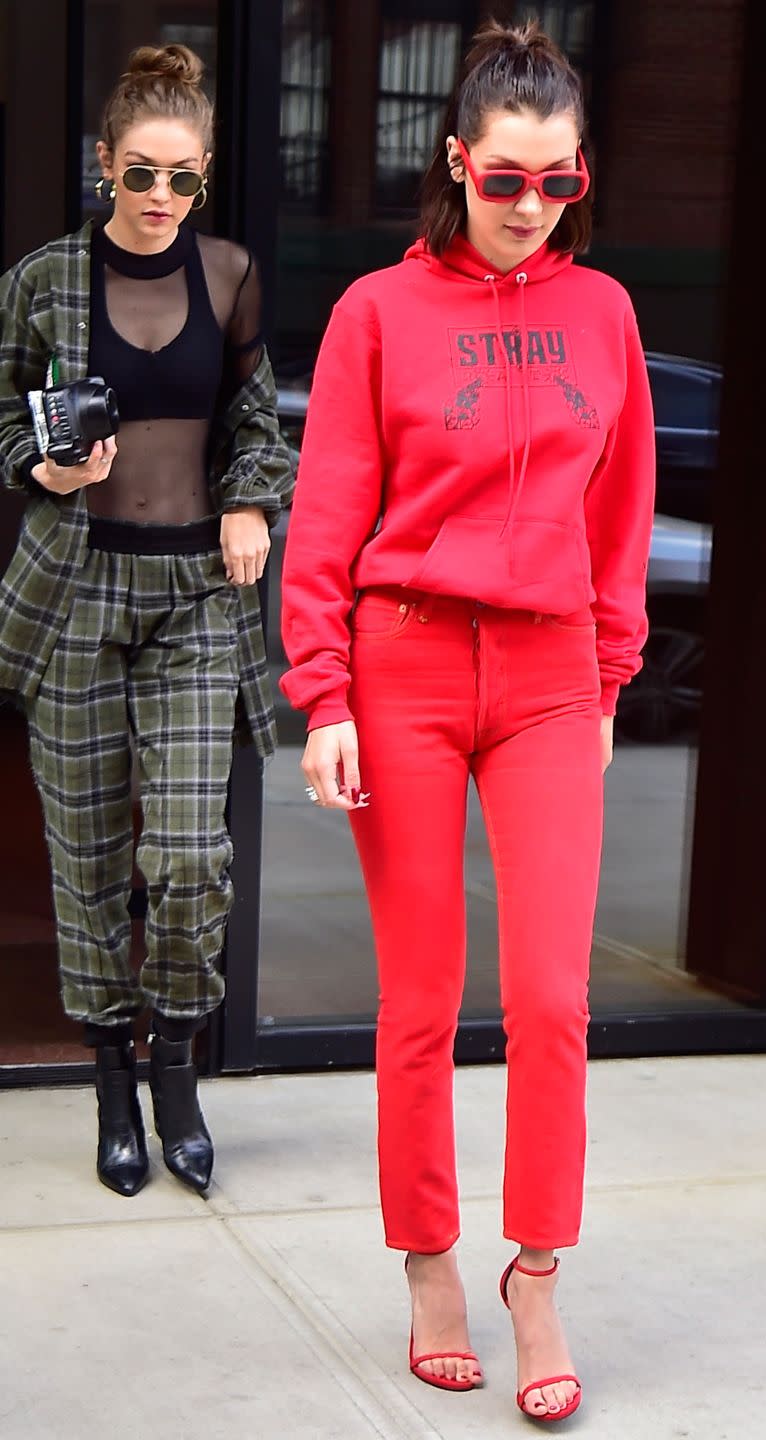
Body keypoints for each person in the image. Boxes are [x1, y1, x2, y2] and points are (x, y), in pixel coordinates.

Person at [280, 17, 654, 1424]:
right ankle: (431, 1260)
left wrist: (613, 671)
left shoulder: (605, 313)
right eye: (507, 179)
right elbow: (329, 516)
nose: (532, 207)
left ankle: (536, 1269)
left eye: (560, 183)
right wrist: (324, 691)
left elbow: (620, 518)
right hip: (409, 666)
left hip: (554, 672)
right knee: (421, 999)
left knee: (554, 998)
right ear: (456, 162)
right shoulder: (380, 311)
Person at [0, 44, 293, 1198]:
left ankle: (175, 1061)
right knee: (84, 860)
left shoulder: (229, 274)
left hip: (190, 602)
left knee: (186, 857)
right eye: (138, 175)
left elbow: (258, 420)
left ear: (204, 173)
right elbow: (0, 416)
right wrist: (47, 470)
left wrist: (249, 499)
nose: (159, 198)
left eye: (181, 178)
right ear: (104, 166)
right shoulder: (42, 281)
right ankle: (112, 1079)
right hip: (76, 592)